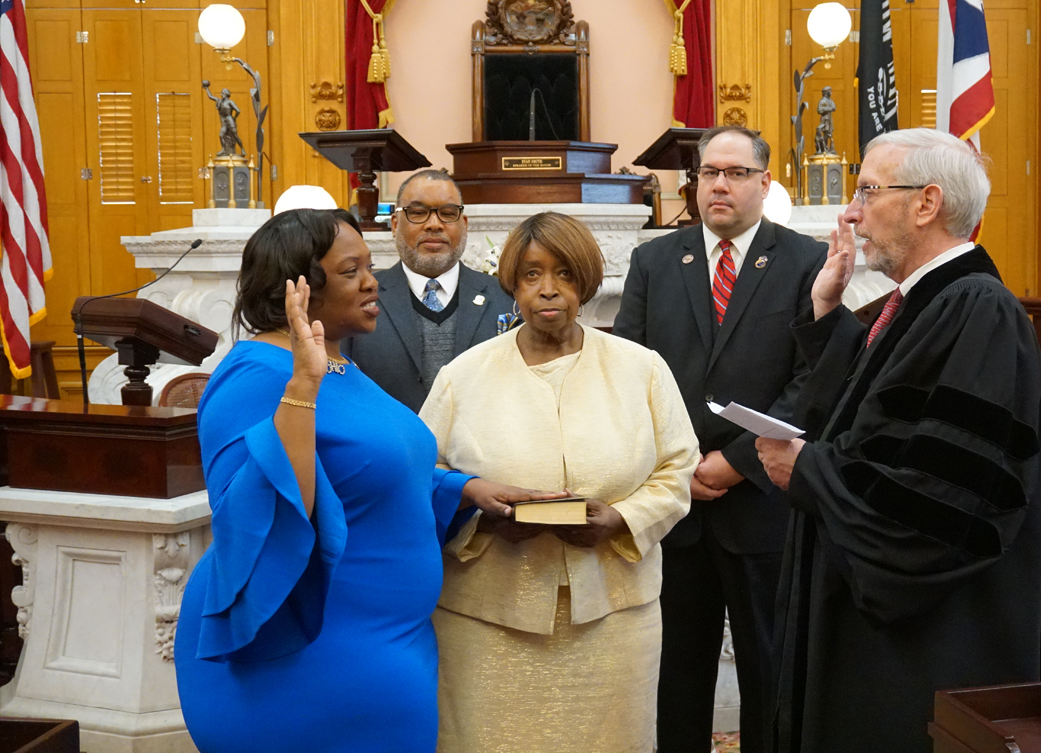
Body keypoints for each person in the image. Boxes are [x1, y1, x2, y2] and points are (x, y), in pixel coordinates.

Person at [173, 208, 557, 753]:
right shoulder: (254, 375)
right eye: (351, 270)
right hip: (304, 657)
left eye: (369, 266)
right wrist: (301, 388)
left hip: (387, 646)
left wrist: (466, 491)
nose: (372, 281)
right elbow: (252, 520)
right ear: (299, 287)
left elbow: (375, 477)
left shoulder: (338, 365)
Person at [756, 128, 1041, 753]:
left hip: (931, 635)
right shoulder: (920, 305)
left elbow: (940, 492)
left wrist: (809, 470)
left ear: (926, 203)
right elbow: (870, 419)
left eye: (867, 190)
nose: (851, 211)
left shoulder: (976, 308)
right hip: (886, 619)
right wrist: (824, 314)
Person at [420, 212, 699, 753]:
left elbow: (677, 468)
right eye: (531, 275)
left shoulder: (641, 368)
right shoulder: (464, 375)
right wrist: (481, 516)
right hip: (487, 615)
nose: (548, 290)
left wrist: (622, 519)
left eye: (565, 275)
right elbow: (421, 473)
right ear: (512, 284)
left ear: (587, 283)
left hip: (614, 617)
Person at [612, 125, 827, 753]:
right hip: (678, 506)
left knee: (768, 668)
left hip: (762, 503)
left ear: (764, 183)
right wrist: (679, 467)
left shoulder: (803, 261)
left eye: (735, 173)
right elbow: (632, 369)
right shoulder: (655, 260)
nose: (721, 185)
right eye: (710, 173)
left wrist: (735, 463)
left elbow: (811, 379)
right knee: (676, 672)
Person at [342, 169, 511, 411]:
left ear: (464, 225)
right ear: (395, 224)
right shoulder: (360, 300)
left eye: (448, 214)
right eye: (418, 213)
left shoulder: (505, 298)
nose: (434, 225)